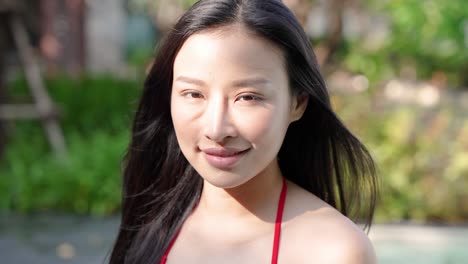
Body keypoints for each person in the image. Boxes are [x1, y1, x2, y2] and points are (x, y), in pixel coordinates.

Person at [109, 0, 378, 263]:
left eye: (247, 97)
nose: (216, 129)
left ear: (297, 103)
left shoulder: (334, 252)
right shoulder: (152, 224)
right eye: (193, 93)